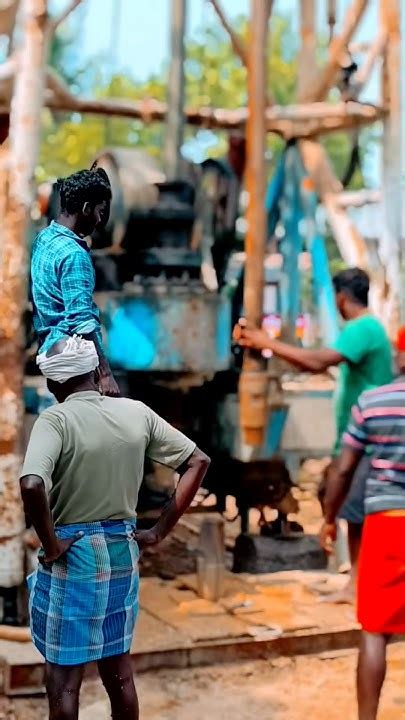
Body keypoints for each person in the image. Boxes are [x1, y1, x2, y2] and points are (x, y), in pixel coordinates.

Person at [20, 336, 210, 720]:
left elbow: (31, 483)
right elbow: (197, 461)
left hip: (75, 555)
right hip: (122, 550)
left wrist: (52, 544)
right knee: (118, 671)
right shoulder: (135, 412)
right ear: (94, 372)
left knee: (63, 679)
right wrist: (158, 530)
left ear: (54, 384)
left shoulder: (55, 420)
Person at [233, 267, 393, 602]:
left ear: (340, 298)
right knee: (345, 505)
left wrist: (266, 342)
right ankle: (354, 579)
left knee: (351, 508)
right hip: (362, 436)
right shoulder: (370, 328)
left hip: (366, 439)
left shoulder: (363, 327)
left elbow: (318, 362)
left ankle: (357, 584)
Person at [319, 328, 405, 720]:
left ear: (399, 358)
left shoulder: (372, 402)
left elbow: (343, 469)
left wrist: (329, 516)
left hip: (386, 523)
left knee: (374, 630)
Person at [31, 166, 119, 398]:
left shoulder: (45, 238)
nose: (100, 219)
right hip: (74, 362)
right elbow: (81, 320)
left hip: (50, 351)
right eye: (99, 211)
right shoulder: (74, 254)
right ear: (86, 208)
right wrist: (104, 373)